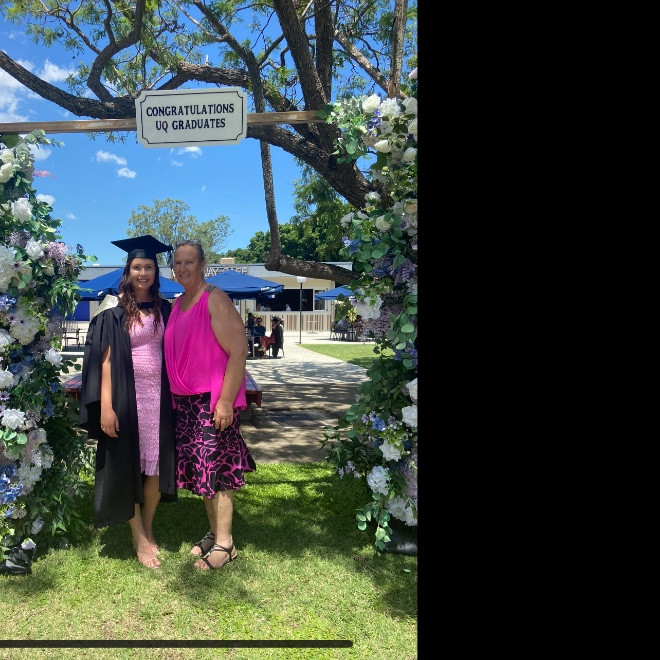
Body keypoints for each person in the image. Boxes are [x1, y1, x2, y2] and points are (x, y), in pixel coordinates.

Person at [79, 235, 177, 569]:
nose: (143, 273)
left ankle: (147, 525)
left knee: (156, 465)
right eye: (137, 267)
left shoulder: (166, 308)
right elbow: (105, 363)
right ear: (128, 271)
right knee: (127, 463)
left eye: (148, 267)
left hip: (159, 399)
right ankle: (138, 537)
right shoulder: (113, 311)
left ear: (155, 271)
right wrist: (106, 407)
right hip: (125, 397)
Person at [164, 240, 256, 570]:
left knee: (220, 472)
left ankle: (226, 545)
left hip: (212, 401)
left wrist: (226, 402)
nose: (183, 268)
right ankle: (215, 532)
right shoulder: (178, 303)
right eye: (178, 263)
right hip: (186, 404)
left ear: (203, 265)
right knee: (203, 473)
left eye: (190, 262)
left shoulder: (214, 298)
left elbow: (238, 350)